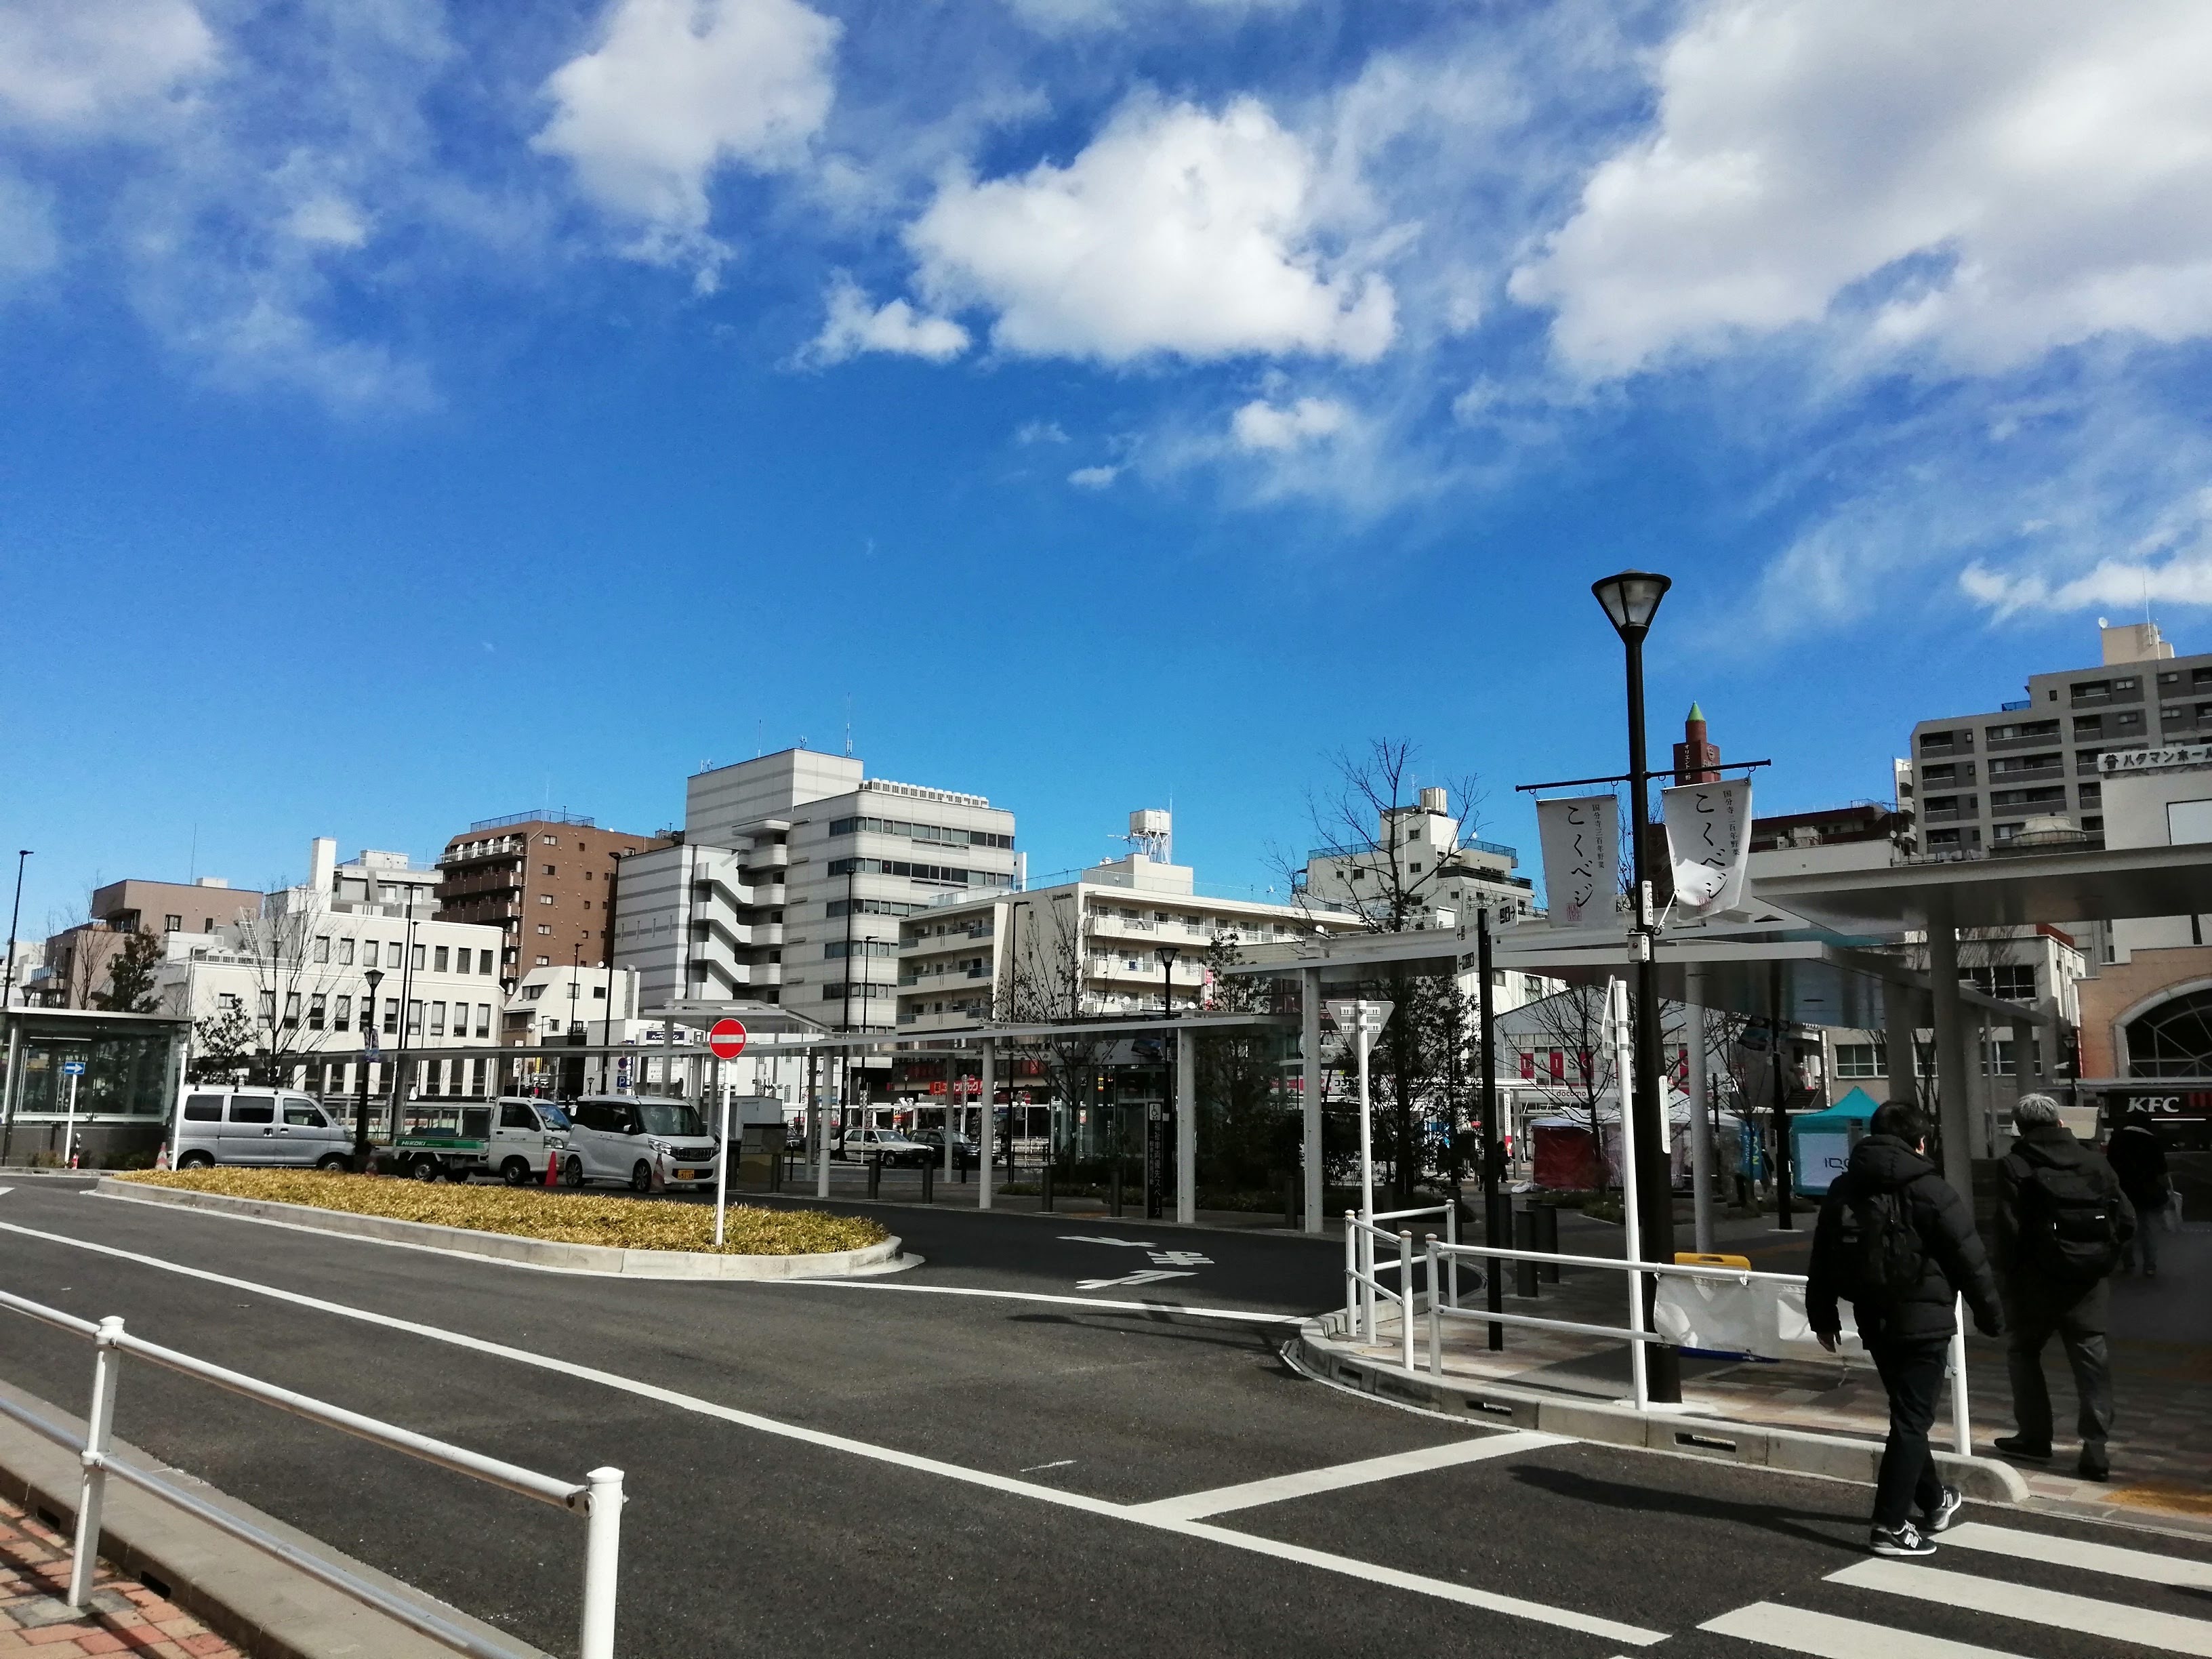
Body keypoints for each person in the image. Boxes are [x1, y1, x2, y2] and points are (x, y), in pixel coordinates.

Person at [1809, 1099, 2003, 1558]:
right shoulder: (1933, 1190)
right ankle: (1889, 1525)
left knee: (1907, 1415)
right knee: (1912, 1420)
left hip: (1873, 1318)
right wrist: (1992, 1318)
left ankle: (1935, 1502)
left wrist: (1822, 1315)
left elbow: (1823, 1257)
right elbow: (1970, 1260)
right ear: (1920, 1141)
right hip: (1924, 1322)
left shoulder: (1842, 1189)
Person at [1994, 1093, 2135, 1481]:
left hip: (2035, 1284)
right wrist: (2101, 1257)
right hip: (2087, 1284)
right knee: (2092, 1365)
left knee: (2023, 1353)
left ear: (2019, 1128)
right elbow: (2126, 1222)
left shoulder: (2015, 1164)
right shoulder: (2095, 1162)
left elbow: (2009, 1230)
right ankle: (2095, 1450)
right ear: (2059, 1123)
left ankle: (2035, 1438)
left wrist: (2006, 1278)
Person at [2106, 1110, 2172, 1279]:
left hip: (2123, 1190)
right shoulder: (2152, 1141)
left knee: (2125, 1227)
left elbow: (2109, 1166)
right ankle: (2150, 1265)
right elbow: (2162, 1171)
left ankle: (2128, 1262)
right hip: (2148, 1192)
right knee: (2147, 1229)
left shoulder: (2117, 1139)